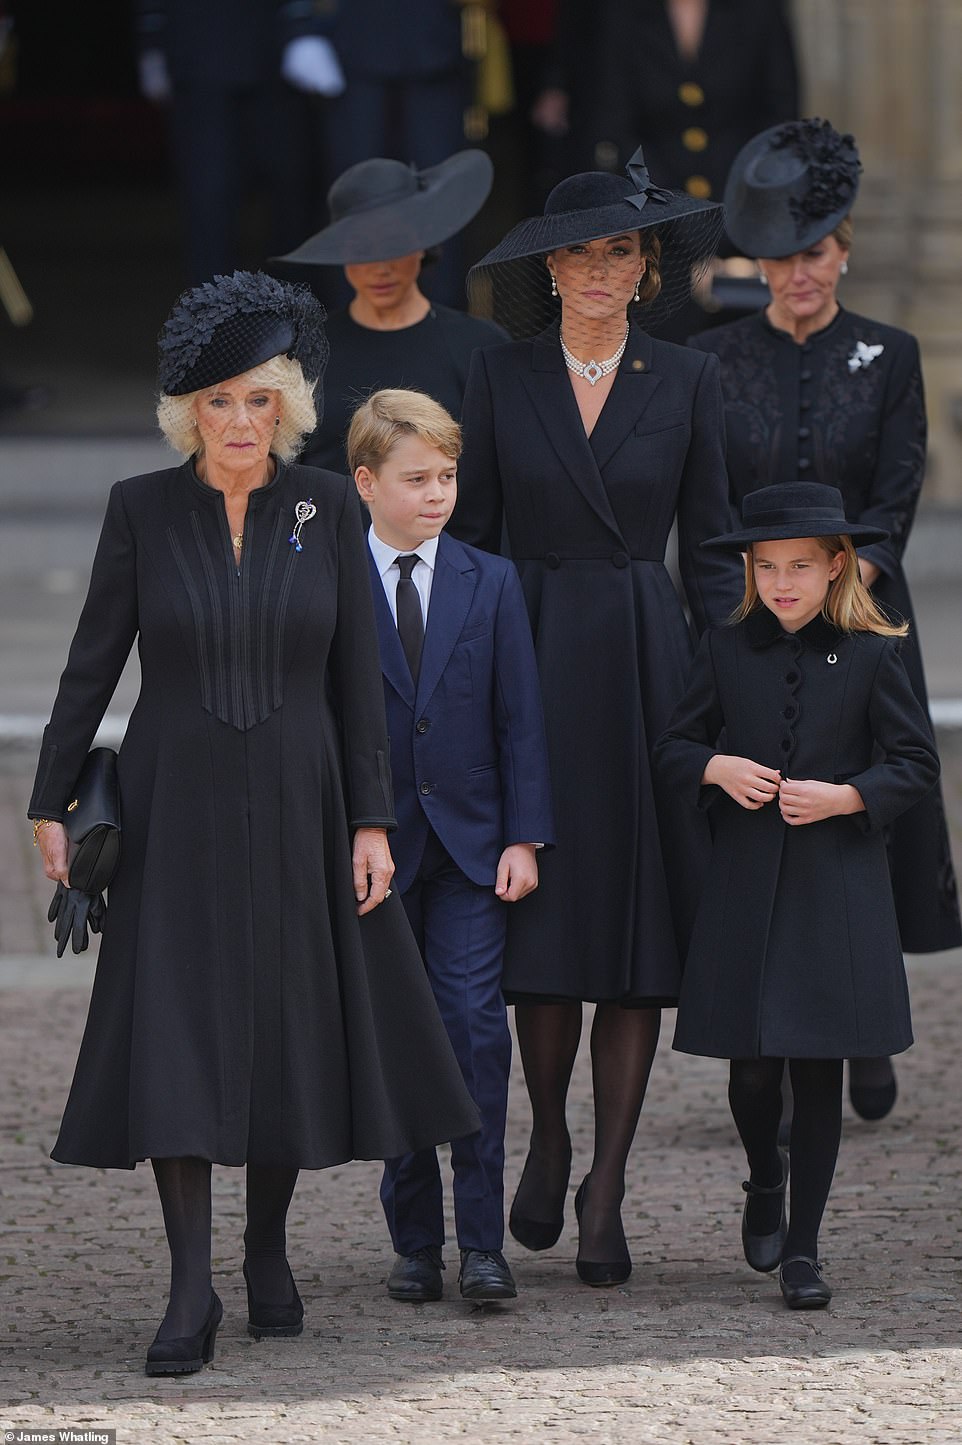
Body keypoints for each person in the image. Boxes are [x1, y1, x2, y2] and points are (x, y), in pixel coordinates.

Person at [27, 271, 479, 1375]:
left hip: (301, 798)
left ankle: (266, 1248)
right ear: (190, 413)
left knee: (278, 1027)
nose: (239, 421)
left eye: (258, 400)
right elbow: (93, 660)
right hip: (174, 800)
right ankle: (192, 1287)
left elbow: (356, 683)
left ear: (288, 406)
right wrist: (47, 796)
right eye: (219, 402)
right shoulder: (141, 507)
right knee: (178, 1033)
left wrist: (370, 821)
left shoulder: (327, 507)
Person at [449, 148, 743, 1286]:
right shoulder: (499, 375)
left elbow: (713, 545)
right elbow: (469, 536)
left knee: (629, 935)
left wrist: (741, 686)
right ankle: (550, 1132)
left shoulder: (688, 378)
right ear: (551, 267)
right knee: (542, 923)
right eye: (577, 251)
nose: (597, 270)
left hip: (642, 661)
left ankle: (605, 1183)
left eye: (618, 250)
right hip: (525, 651)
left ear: (645, 266)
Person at [689, 119, 962, 1120]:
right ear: (752, 264)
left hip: (864, 628)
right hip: (747, 631)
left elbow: (894, 496)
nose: (795, 273)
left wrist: (834, 603)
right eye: (777, 257)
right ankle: (758, 1015)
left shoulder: (887, 356)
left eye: (812, 253)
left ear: (841, 252)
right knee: (765, 823)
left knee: (859, 814)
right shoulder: (711, 362)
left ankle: (863, 1022)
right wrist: (744, 615)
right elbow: (707, 507)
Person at [654, 483, 940, 1309]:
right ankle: (763, 1177)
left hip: (835, 891)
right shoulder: (723, 646)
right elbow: (674, 745)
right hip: (744, 887)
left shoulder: (874, 653)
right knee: (752, 1078)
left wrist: (848, 797)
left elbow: (915, 763)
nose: (782, 583)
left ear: (836, 567)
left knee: (818, 1075)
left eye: (800, 568)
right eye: (768, 566)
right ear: (750, 569)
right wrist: (717, 766)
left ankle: (804, 1251)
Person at [348, 388, 555, 1305]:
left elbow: (522, 716)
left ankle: (482, 1243)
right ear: (366, 483)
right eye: (417, 478)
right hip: (375, 849)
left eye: (448, 475)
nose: (438, 493)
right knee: (398, 1032)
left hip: (474, 847)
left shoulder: (489, 577)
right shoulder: (331, 580)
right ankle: (413, 1239)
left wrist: (525, 834)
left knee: (473, 1028)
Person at [274, 149, 506, 476]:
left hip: (446, 527)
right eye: (362, 248)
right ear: (341, 251)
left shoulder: (479, 347)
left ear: (423, 242)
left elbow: (502, 471)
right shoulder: (305, 352)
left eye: (394, 245)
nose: (380, 267)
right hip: (326, 526)